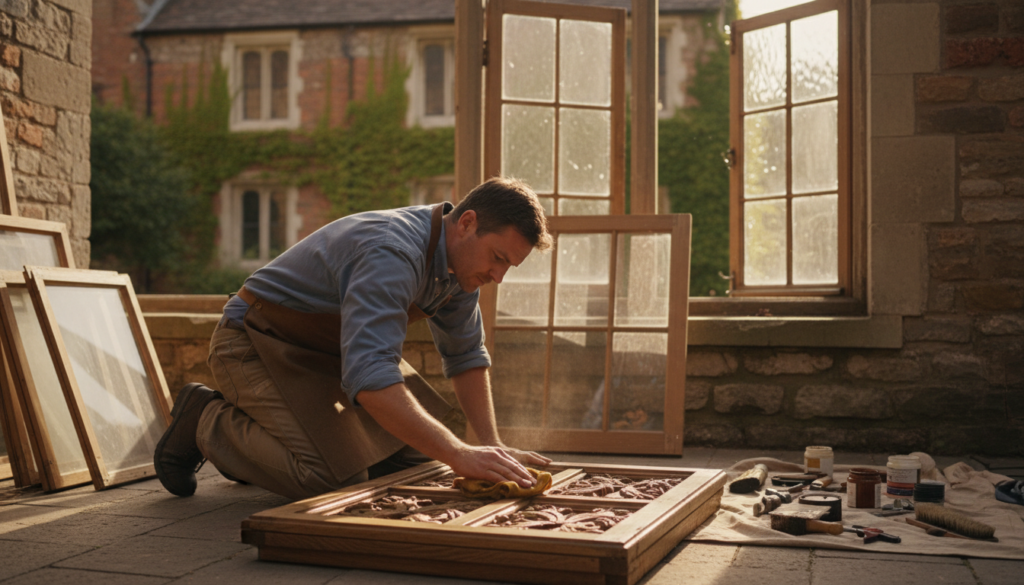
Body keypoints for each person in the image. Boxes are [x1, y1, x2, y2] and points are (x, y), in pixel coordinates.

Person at [154, 177, 553, 500]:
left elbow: (466, 356)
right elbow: (371, 376)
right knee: (331, 480)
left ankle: (260, 442)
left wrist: (491, 447)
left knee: (421, 465)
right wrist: (458, 451)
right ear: (467, 224)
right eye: (498, 258)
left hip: (329, 356)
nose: (498, 277)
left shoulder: (461, 270)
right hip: (253, 342)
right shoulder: (392, 252)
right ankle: (208, 421)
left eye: (509, 267)